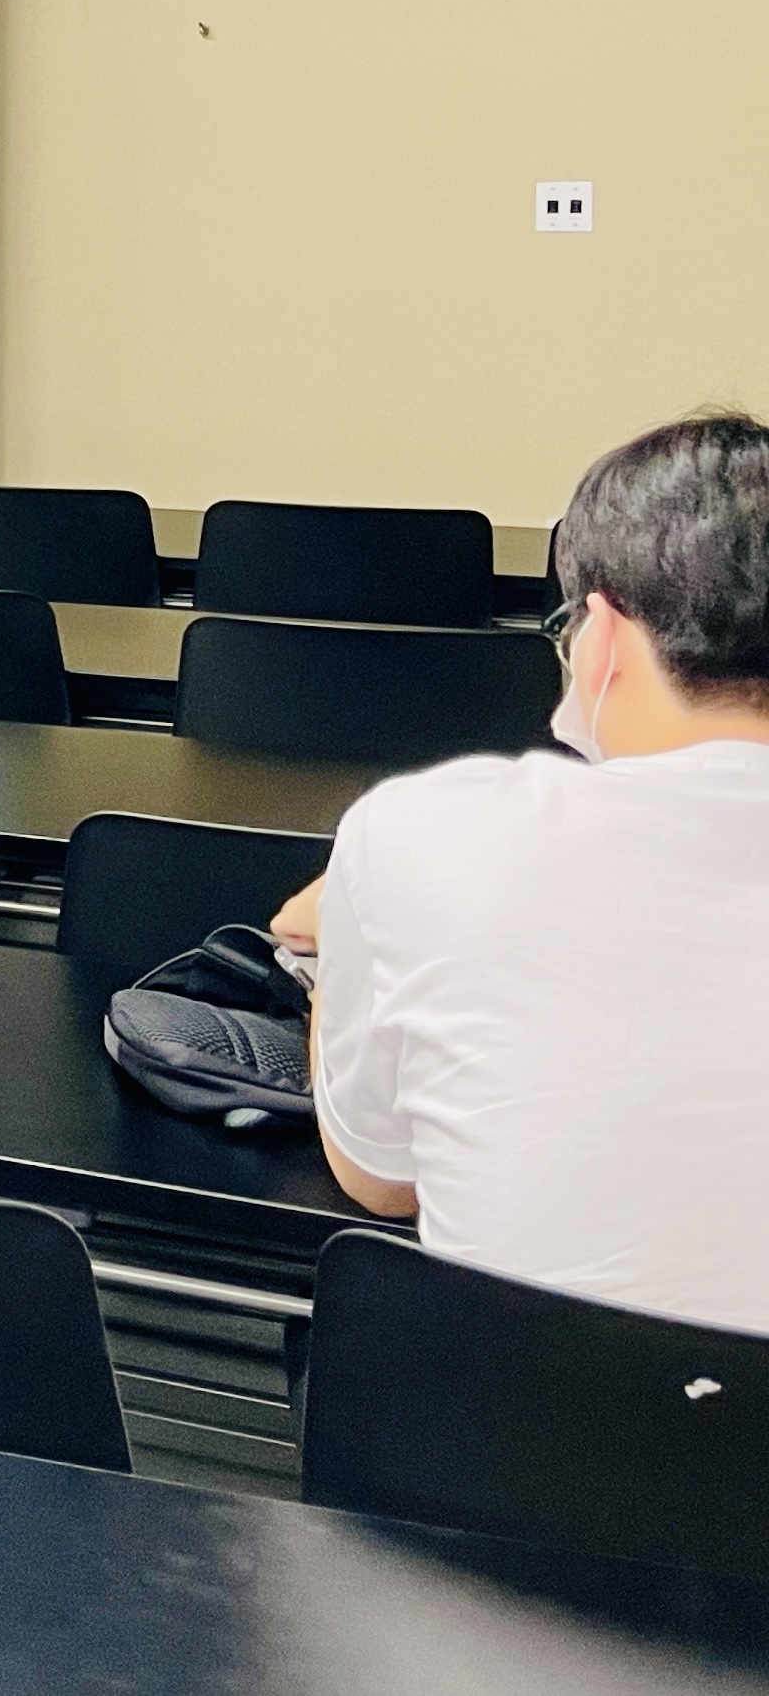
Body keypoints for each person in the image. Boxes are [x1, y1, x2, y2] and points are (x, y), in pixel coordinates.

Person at [272, 412, 769, 1337]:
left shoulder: (423, 830)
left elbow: (381, 1179)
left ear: (602, 637)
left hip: (505, 1417)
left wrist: (339, 946)